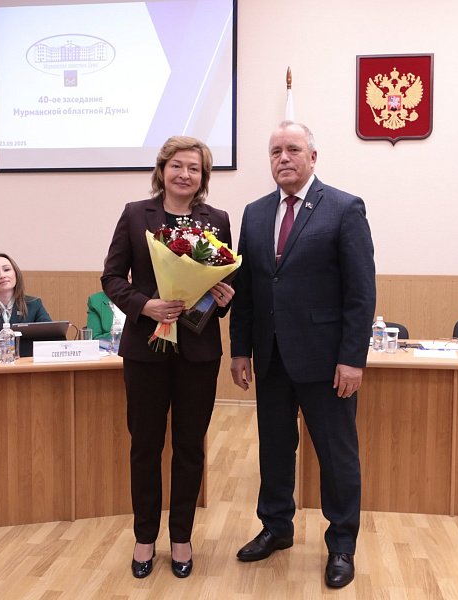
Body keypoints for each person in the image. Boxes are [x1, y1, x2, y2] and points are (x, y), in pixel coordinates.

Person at [229, 121, 375, 589]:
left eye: (293, 149)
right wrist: (239, 350)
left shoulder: (344, 208)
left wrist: (352, 358)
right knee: (274, 450)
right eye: (275, 151)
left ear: (313, 157)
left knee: (336, 455)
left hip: (327, 362)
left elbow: (361, 293)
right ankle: (276, 526)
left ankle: (342, 544)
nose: (283, 158)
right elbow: (247, 290)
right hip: (270, 357)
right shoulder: (255, 213)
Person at [100, 136, 235, 579]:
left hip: (198, 351)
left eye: (194, 168)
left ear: (203, 176)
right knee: (145, 445)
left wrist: (224, 297)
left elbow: (222, 283)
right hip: (146, 349)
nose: (184, 174)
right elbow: (112, 278)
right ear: (161, 170)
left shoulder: (217, 220)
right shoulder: (135, 214)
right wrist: (145, 306)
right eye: (177, 165)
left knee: (190, 447)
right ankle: (144, 537)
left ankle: (181, 537)